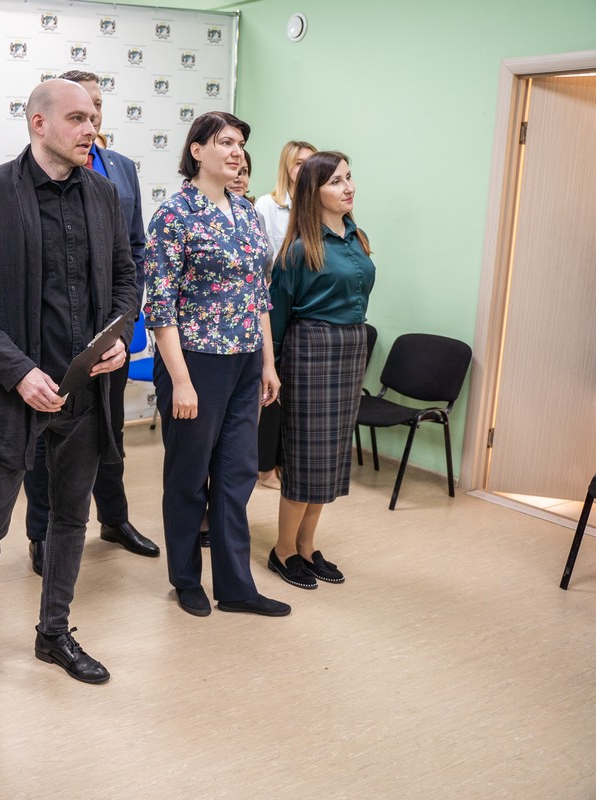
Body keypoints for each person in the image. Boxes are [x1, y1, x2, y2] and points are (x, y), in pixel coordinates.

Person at [0, 79, 138, 704]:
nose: (91, 128)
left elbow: (127, 277)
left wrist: (119, 335)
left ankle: (54, 633)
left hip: (84, 393)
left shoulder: (103, 194)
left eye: (94, 117)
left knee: (71, 520)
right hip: (12, 395)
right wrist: (19, 371)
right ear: (39, 123)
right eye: (77, 118)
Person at [144, 111, 290, 619]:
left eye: (240, 144)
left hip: (246, 361)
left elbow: (259, 294)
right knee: (189, 476)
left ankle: (236, 587)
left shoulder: (246, 211)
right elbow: (159, 307)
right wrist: (181, 382)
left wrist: (268, 363)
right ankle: (186, 579)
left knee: (236, 475)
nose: (236, 152)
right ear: (197, 150)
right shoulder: (174, 215)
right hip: (195, 364)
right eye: (225, 142)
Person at [22, 69, 158, 574]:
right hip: (55, 334)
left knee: (110, 432)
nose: (94, 117)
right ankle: (41, 533)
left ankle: (114, 519)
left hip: (109, 334)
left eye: (98, 106)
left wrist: (124, 323)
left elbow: (135, 250)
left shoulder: (121, 168)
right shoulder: (33, 171)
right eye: (82, 110)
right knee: (46, 438)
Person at [267, 151, 375, 590]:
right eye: (336, 181)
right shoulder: (298, 249)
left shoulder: (356, 237)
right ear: (314, 192)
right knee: (306, 460)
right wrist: (271, 369)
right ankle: (283, 550)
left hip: (351, 350)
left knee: (330, 459)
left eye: (349, 177)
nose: (348, 187)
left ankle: (307, 546)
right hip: (311, 352)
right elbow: (276, 317)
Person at [255, 141, 316, 491]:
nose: (306, 169)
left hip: (305, 306)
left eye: (311, 163)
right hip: (275, 303)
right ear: (287, 168)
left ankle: (283, 463)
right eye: (299, 163)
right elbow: (262, 262)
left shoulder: (318, 208)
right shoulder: (268, 205)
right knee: (271, 386)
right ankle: (264, 468)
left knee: (293, 392)